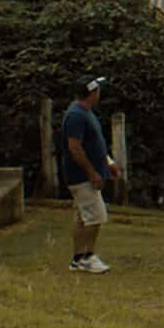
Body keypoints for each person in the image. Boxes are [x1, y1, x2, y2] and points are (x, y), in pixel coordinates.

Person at [58, 77, 117, 273]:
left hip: (89, 173)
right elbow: (74, 147)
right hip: (81, 176)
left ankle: (77, 258)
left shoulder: (86, 113)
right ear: (92, 93)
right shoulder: (76, 115)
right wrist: (92, 173)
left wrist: (107, 162)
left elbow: (95, 143)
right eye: (97, 90)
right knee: (96, 216)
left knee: (82, 217)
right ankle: (88, 256)